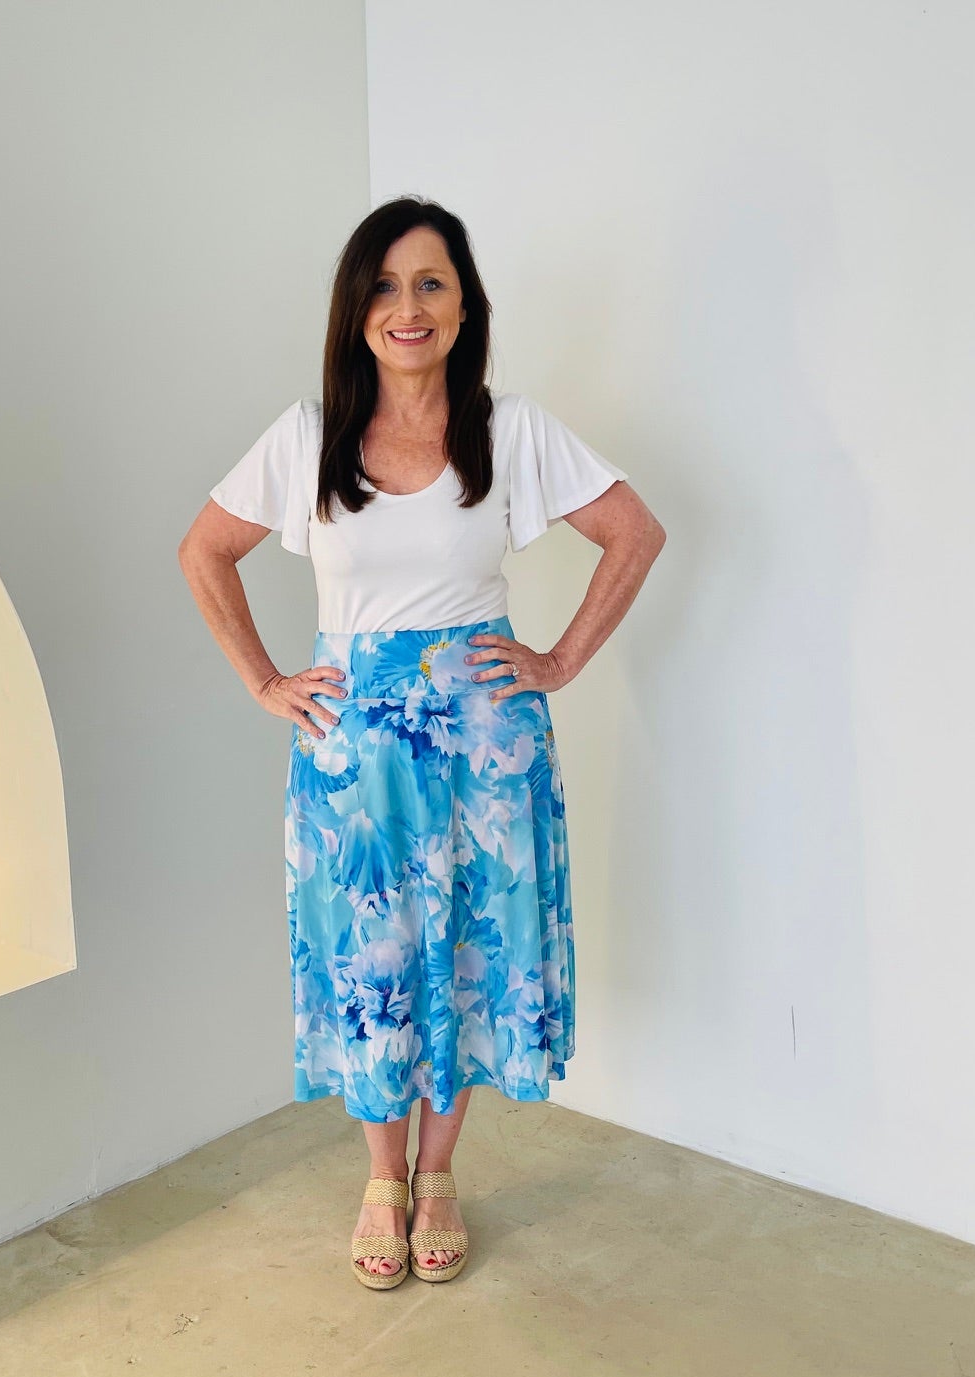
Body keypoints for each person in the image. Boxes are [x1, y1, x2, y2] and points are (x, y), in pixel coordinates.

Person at [178, 195, 666, 1290]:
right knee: (375, 958)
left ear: (463, 306)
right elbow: (204, 552)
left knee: (470, 952)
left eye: (432, 283)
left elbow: (635, 531)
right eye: (387, 285)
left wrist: (558, 660)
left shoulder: (513, 431)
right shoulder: (308, 439)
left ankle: (439, 1175)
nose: (410, 306)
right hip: (356, 758)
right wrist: (265, 680)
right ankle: (380, 1178)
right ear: (357, 310)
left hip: (487, 747)